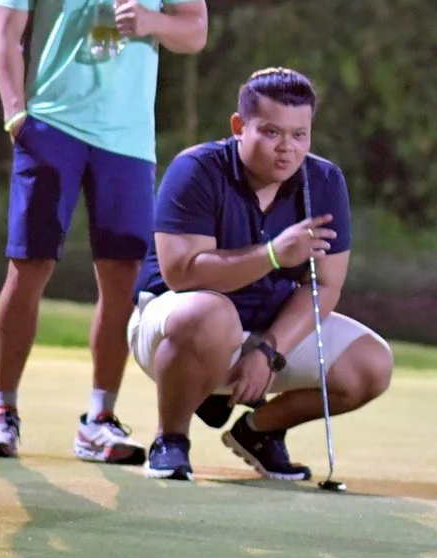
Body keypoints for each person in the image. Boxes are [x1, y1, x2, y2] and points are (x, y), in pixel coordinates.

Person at [0, 0, 208, 461]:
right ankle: (4, 412)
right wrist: (16, 113)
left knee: (119, 280)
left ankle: (98, 419)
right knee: (29, 269)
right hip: (49, 129)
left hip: (127, 141)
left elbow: (195, 28)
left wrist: (152, 23)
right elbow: (5, 35)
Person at [127, 66, 395, 482]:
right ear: (239, 126)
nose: (286, 148)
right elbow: (182, 275)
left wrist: (270, 351)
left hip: (265, 331)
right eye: (271, 132)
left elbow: (325, 284)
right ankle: (171, 439)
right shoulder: (196, 169)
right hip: (175, 327)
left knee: (372, 364)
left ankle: (259, 432)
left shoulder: (324, 181)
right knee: (210, 316)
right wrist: (273, 254)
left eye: (299, 134)